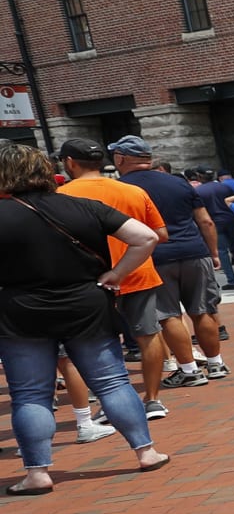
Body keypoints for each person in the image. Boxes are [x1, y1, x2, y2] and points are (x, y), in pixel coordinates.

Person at [0, 143, 169, 494]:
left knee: (30, 394)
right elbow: (146, 237)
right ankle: (146, 451)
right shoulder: (83, 207)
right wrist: (117, 274)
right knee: (111, 382)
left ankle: (38, 472)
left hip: (20, 308)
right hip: (86, 302)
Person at [57, 141, 175, 416]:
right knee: (149, 334)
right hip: (138, 270)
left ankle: (109, 403)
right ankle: (152, 398)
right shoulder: (133, 191)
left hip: (90, 277)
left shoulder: (60, 195)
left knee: (98, 342)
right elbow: (159, 234)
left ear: (70, 162)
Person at [109, 136, 228, 386]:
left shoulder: (121, 188)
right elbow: (205, 221)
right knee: (203, 310)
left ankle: (189, 370)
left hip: (155, 256)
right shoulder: (179, 183)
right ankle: (216, 363)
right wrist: (214, 252)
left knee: (169, 315)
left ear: (120, 158)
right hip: (195, 251)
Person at [194, 169, 234, 290]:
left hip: (214, 222)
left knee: (221, 251)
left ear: (199, 176)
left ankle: (232, 280)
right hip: (230, 219)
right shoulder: (224, 187)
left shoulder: (198, 191)